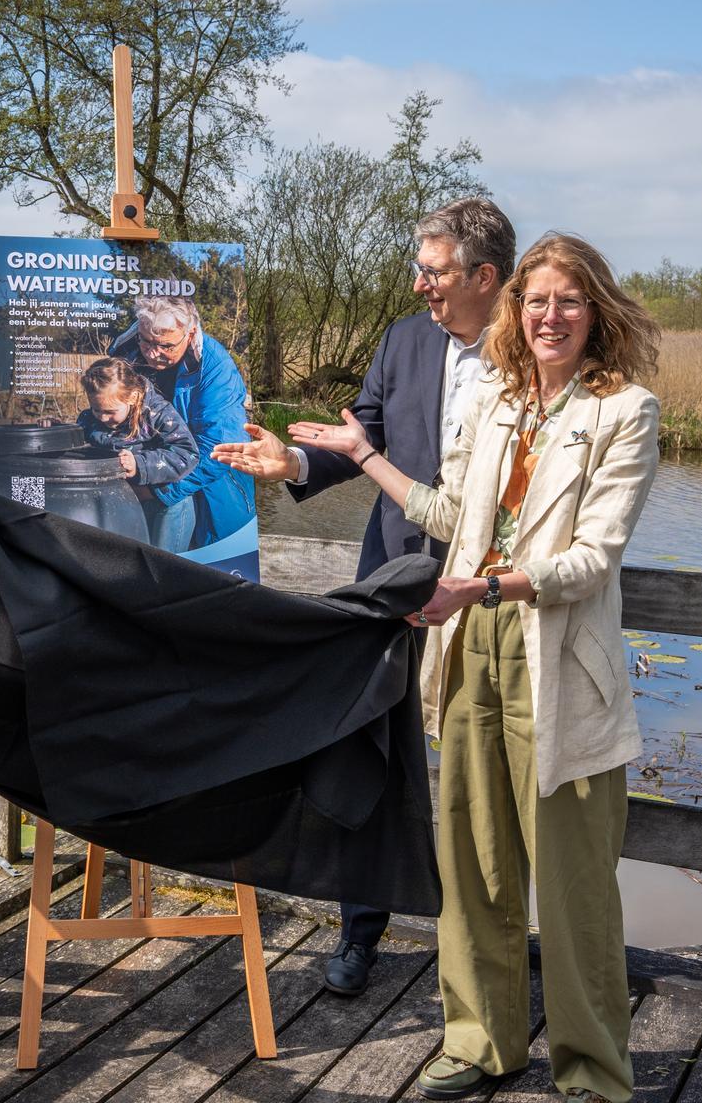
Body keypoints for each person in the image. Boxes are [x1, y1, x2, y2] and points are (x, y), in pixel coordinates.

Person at [285, 233, 661, 1103]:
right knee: (475, 865)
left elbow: (593, 562)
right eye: (537, 301)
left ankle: (593, 1071)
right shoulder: (496, 397)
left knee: (573, 888)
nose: (550, 317)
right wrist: (363, 453)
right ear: (515, 310)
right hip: (470, 651)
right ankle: (482, 1044)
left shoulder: (625, 412)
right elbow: (452, 510)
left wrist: (484, 585)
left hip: (557, 659)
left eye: (568, 301)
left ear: (596, 310)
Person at [212, 196, 515, 997]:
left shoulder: (536, 352)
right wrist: (294, 470)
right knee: (370, 756)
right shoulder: (405, 340)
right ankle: (360, 934)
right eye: (419, 269)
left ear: (485, 276)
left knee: (491, 770)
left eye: (434, 271)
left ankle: (493, 945)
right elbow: (361, 442)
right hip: (395, 578)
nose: (419, 286)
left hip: (494, 591)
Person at [107, 296, 254, 552]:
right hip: (144, 475)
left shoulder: (217, 369)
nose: (153, 354)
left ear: (190, 333)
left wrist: (158, 493)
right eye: (146, 341)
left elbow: (222, 448)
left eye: (166, 346)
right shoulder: (125, 357)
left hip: (211, 490)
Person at [76, 355, 199, 549]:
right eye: (96, 409)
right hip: (125, 500)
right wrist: (55, 430)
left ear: (132, 397)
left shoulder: (157, 414)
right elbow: (75, 442)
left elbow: (187, 453)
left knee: (164, 561)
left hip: (167, 502)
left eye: (110, 411)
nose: (102, 418)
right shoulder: (90, 419)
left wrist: (139, 464)